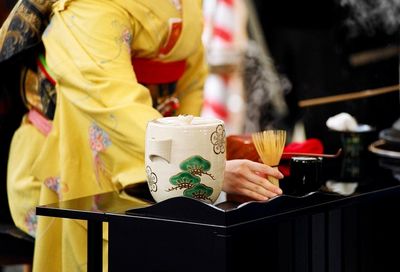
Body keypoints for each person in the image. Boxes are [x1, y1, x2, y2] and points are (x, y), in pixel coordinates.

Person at [0, 0, 283, 271]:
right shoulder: (85, 6)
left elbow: (191, 81)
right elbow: (113, 104)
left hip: (158, 152)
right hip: (76, 158)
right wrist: (207, 171)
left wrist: (199, 153)